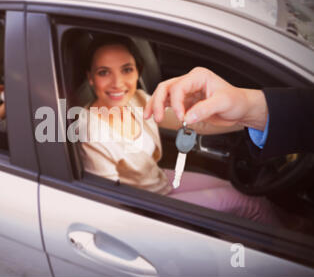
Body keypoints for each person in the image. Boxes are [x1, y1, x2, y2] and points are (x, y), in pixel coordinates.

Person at [77, 34, 304, 229]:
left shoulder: (136, 100)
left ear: (137, 72)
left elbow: (194, 122)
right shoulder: (90, 131)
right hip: (146, 207)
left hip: (159, 180)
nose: (118, 83)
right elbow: (111, 201)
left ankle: (290, 227)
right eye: (104, 72)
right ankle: (292, 247)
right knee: (248, 204)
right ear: (90, 77)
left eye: (127, 69)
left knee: (234, 189)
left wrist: (250, 118)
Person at [143, 67, 314, 159]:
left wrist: (247, 115)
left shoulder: (142, 101)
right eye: (113, 72)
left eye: (127, 69)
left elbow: (199, 123)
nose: (117, 83)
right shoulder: (136, 110)